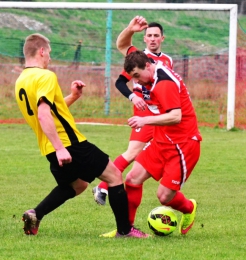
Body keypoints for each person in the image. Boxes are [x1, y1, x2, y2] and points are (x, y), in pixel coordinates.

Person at [15, 33, 149, 238]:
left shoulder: (21, 80)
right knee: (114, 176)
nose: (49, 57)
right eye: (49, 53)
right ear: (41, 51)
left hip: (48, 147)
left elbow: (51, 111)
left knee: (77, 185)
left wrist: (73, 97)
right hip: (69, 144)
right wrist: (61, 148)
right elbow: (43, 115)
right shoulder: (45, 76)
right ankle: (125, 230)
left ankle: (35, 214)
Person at [101, 16, 202, 238]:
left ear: (147, 66)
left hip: (182, 145)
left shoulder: (163, 82)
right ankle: (126, 230)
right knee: (132, 179)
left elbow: (176, 116)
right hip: (161, 140)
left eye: (138, 76)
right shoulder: (143, 62)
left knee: (164, 197)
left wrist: (144, 120)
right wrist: (130, 28)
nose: (138, 81)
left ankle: (189, 208)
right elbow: (121, 45)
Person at [92, 19, 173, 206]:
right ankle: (104, 186)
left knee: (145, 154)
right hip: (144, 113)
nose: (152, 39)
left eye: (156, 36)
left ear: (162, 38)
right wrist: (133, 97)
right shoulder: (138, 57)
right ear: (144, 38)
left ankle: (111, 186)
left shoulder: (168, 60)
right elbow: (120, 77)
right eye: (149, 36)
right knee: (134, 152)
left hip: (160, 115)